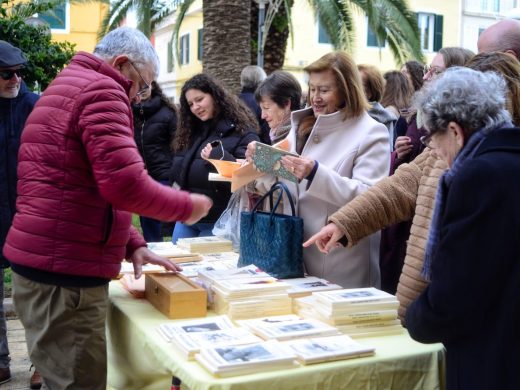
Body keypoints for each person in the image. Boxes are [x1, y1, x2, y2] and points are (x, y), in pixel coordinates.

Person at [2, 27, 212, 390]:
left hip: (49, 266)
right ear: (121, 64)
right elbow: (124, 184)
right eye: (142, 85)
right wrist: (187, 206)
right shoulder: (102, 90)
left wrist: (132, 243)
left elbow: (79, 189)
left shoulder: (68, 85)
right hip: (63, 276)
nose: (139, 96)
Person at [304, 48, 520, 320]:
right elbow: (399, 187)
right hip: (429, 309)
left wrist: (426, 316)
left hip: (459, 318)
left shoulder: (485, 166)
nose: (428, 77)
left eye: (437, 72)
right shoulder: (447, 151)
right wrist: (345, 222)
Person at [405, 67, 520, 390]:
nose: (435, 151)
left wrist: (415, 318)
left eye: (432, 138)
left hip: (492, 361)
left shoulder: (478, 176)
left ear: (455, 131)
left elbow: (456, 292)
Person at [248, 51, 390, 288]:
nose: (315, 98)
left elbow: (370, 199)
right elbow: (290, 180)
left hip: (339, 260)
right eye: (312, 89)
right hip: (293, 253)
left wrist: (315, 173)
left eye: (324, 90)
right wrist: (261, 165)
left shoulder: (372, 132)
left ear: (348, 89)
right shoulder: (303, 124)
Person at [170, 73, 259, 243]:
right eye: (190, 104)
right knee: (179, 267)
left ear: (215, 96)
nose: (195, 107)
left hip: (217, 221)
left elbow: (249, 175)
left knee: (204, 268)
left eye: (200, 99)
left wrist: (219, 156)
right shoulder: (190, 131)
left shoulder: (242, 131)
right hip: (187, 216)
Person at [0, 40, 41, 388]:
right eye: (5, 74)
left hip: (30, 215)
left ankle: (40, 361)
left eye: (18, 72)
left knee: (33, 294)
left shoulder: (35, 106)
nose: (15, 79)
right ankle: (0, 361)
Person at [133, 81, 177, 242]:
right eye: (139, 87)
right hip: (141, 174)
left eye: (146, 86)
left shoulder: (168, 113)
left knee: (164, 217)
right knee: (147, 220)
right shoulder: (129, 112)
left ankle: (170, 252)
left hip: (164, 172)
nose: (143, 90)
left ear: (153, 86)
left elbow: (178, 143)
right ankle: (153, 251)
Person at [254, 70, 302, 144]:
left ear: (286, 103)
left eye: (266, 108)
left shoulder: (299, 138)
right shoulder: (279, 134)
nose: (263, 116)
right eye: (262, 109)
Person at [358, 64, 397, 141]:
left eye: (358, 85)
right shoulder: (343, 112)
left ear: (371, 92)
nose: (351, 88)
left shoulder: (381, 121)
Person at [239, 65, 270, 144]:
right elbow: (267, 136)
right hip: (255, 149)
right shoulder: (262, 104)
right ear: (261, 81)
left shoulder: (234, 100)